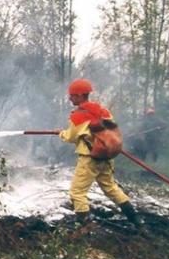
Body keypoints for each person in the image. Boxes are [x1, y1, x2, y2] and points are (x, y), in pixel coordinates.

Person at [58, 79, 137, 224]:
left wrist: (61, 133)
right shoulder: (104, 111)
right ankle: (136, 221)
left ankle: (85, 227)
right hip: (106, 157)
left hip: (90, 159)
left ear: (81, 95)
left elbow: (70, 137)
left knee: (77, 193)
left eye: (73, 95)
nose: (70, 98)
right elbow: (109, 131)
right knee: (111, 188)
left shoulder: (78, 115)